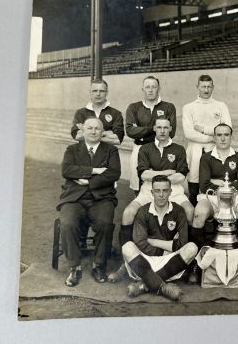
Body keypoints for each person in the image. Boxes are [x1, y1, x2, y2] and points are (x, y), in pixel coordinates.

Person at [108, 117, 194, 282]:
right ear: (154, 128)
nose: (162, 131)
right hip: (148, 189)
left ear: (170, 129)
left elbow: (181, 176)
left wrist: (156, 174)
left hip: (174, 190)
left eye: (165, 128)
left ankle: (191, 265)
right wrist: (169, 172)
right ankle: (124, 265)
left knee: (190, 212)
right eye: (159, 127)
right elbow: (144, 175)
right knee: (128, 213)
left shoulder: (179, 149)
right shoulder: (145, 148)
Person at [189, 123, 238, 284]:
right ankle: (197, 263)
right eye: (219, 135)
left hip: (235, 197)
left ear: (231, 136)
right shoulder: (206, 157)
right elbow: (204, 185)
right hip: (212, 197)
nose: (223, 138)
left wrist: (220, 183)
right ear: (214, 137)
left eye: (226, 135)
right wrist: (226, 185)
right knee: (199, 214)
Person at [56, 117, 121, 286]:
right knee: (67, 223)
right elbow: (67, 170)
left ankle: (99, 265)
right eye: (89, 128)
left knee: (105, 223)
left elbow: (113, 174)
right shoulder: (72, 149)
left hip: (101, 198)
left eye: (97, 129)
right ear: (82, 131)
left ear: (102, 132)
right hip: (74, 198)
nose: (93, 132)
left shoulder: (111, 150)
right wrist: (95, 170)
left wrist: (88, 181)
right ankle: (74, 267)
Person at [122, 175, 198, 301]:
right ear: (152, 192)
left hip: (170, 262)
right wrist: (165, 249)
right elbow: (140, 243)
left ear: (170, 192)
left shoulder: (179, 211)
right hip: (145, 262)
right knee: (127, 247)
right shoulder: (143, 211)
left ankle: (144, 285)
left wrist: (153, 241)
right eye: (157, 191)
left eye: (165, 190)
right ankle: (163, 287)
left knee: (192, 248)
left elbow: (182, 243)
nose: (161, 195)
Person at [182, 74, 232, 206]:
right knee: (194, 188)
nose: (206, 90)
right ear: (197, 87)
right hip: (195, 150)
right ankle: (193, 221)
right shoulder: (188, 107)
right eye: (203, 86)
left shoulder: (221, 106)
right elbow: (188, 133)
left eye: (209, 87)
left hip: (215, 151)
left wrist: (203, 129)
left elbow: (227, 128)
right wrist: (213, 137)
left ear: (213, 87)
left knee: (215, 187)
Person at [125, 76, 176, 192]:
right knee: (138, 186)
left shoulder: (168, 107)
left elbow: (171, 133)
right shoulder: (134, 107)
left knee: (160, 186)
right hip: (139, 148)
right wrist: (153, 129)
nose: (151, 90)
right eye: (147, 87)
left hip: (161, 150)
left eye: (154, 87)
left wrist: (140, 130)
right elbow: (130, 131)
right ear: (143, 89)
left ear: (159, 88)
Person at [71, 79, 124, 145]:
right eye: (95, 91)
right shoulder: (80, 113)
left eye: (102, 91)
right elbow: (76, 136)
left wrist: (86, 131)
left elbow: (117, 140)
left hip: (107, 153)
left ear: (107, 93)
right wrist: (106, 133)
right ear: (90, 92)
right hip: (84, 153)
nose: (98, 94)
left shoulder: (116, 113)